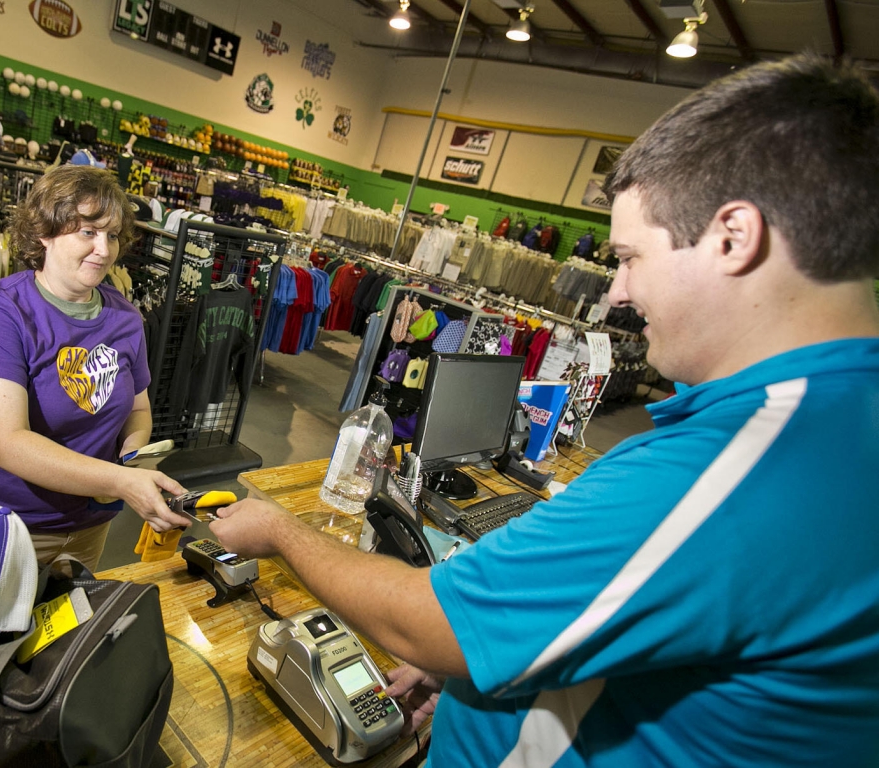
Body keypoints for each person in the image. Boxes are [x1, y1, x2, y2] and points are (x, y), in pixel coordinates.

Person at [209, 54, 879, 767]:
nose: (617, 292)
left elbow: (430, 623)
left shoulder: (737, 468)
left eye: (629, 256)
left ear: (732, 238)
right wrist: (492, 683)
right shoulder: (842, 422)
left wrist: (281, 532)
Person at [0, 164, 190, 571]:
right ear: (45, 231)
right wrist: (121, 482)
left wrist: (134, 454)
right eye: (88, 232)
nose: (104, 250)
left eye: (112, 236)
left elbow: (138, 410)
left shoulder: (125, 318)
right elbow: (6, 444)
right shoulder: (4, 311)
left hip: (89, 527)